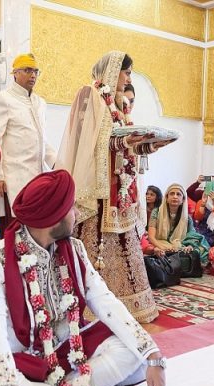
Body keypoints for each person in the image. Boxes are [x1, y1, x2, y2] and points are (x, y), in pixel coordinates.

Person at [0, 170, 166, 386]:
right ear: (51, 217)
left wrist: (152, 354)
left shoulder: (74, 250)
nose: (75, 214)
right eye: (70, 208)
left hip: (64, 356)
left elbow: (105, 301)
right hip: (16, 363)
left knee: (135, 356)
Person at [56, 51, 163, 323]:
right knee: (95, 241)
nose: (128, 78)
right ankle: (89, 305)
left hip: (120, 186)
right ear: (113, 71)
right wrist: (125, 142)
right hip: (99, 186)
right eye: (126, 72)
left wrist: (149, 144)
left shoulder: (121, 103)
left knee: (126, 241)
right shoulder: (90, 95)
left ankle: (129, 303)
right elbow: (88, 141)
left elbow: (124, 143)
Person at [0, 53, 56, 231]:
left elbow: (42, 139)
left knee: (37, 230)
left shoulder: (40, 103)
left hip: (38, 178)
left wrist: (58, 163)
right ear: (15, 73)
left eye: (35, 71)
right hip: (13, 178)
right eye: (27, 70)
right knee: (16, 232)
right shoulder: (3, 98)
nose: (33, 75)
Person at [148, 184, 209, 262]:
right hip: (160, 242)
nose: (175, 196)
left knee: (201, 247)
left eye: (178, 194)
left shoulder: (187, 218)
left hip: (179, 243)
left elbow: (191, 234)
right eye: (172, 193)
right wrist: (164, 247)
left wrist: (189, 245)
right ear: (166, 198)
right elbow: (151, 237)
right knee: (156, 250)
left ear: (183, 200)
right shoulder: (156, 212)